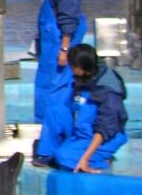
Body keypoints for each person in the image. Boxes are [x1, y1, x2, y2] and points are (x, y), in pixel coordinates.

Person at [35, 43, 128, 172]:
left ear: (80, 66)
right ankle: (47, 154)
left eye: (72, 65)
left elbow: (105, 128)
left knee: (64, 157)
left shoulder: (108, 91)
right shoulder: (83, 77)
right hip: (83, 130)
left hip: (102, 137)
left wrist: (85, 158)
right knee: (54, 111)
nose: (69, 68)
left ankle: (99, 160)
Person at [31, 0, 86, 136]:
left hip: (60, 43)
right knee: (45, 87)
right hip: (50, 44)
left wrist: (65, 48)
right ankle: (44, 129)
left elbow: (68, 16)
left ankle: (55, 133)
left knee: (57, 89)